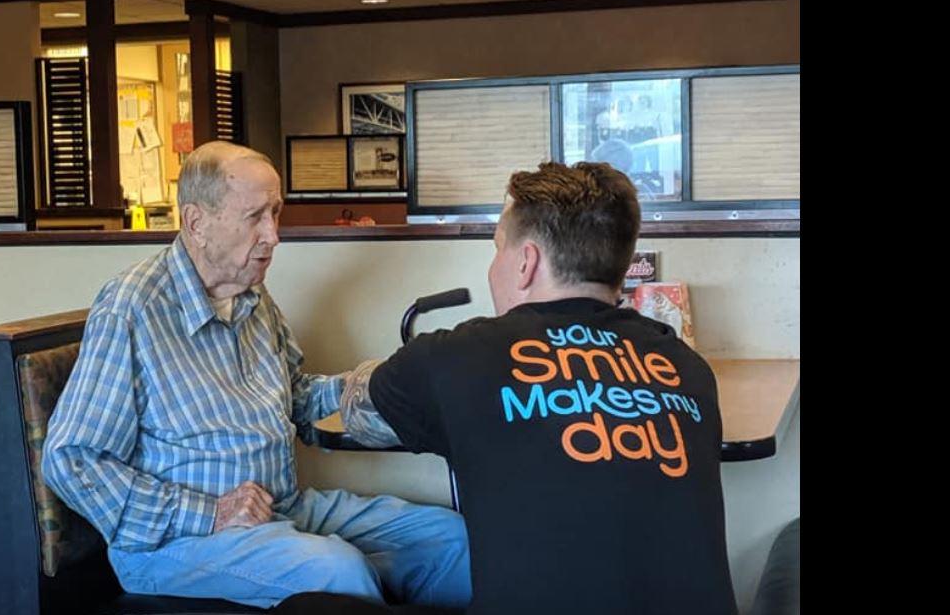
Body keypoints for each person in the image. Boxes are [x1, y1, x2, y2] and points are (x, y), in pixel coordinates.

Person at [42, 141, 470, 609]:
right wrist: (210, 512)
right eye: (254, 217)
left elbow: (296, 399)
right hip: (177, 544)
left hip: (281, 508)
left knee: (450, 539)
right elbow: (72, 459)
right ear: (196, 222)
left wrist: (364, 388)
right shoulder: (132, 308)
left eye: (276, 212)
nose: (273, 235)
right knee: (336, 571)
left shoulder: (253, 298)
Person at [339, 161, 737, 614]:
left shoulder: (456, 356)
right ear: (621, 268)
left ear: (526, 262)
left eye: (497, 249)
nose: (495, 267)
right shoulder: (686, 366)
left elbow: (358, 416)